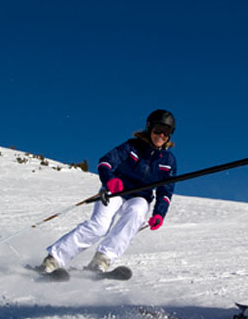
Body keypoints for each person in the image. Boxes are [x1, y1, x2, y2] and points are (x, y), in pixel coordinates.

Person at [40, 109, 178, 274]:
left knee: (136, 212)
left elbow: (165, 192)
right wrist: (110, 180)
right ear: (149, 128)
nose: (161, 135)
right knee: (100, 226)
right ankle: (53, 260)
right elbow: (105, 163)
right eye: (158, 130)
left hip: (140, 197)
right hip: (116, 190)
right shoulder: (131, 146)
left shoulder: (168, 161)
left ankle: (102, 260)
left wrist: (159, 214)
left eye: (167, 132)